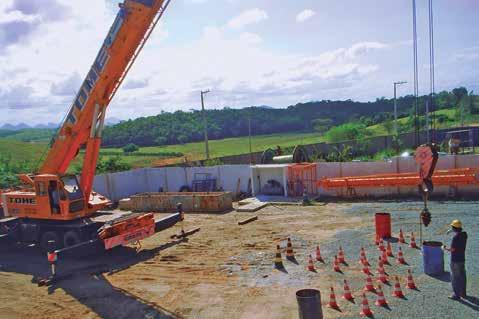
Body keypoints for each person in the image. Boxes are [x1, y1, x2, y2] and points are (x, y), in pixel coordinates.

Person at [443, 219, 468, 300]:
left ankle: (456, 295)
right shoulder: (464, 235)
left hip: (455, 260)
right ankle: (463, 293)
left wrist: (444, 248)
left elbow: (453, 249)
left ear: (454, 228)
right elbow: (458, 231)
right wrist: (451, 230)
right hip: (462, 259)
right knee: (462, 276)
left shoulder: (455, 238)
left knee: (455, 277)